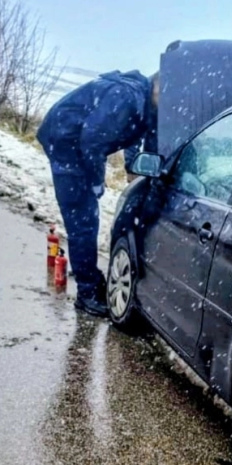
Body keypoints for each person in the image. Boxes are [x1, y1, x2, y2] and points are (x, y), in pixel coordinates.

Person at [37, 70, 159, 315]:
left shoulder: (145, 102)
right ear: (157, 85)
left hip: (76, 144)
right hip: (66, 147)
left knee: (86, 216)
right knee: (83, 220)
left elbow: (141, 131)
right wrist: (95, 180)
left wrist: (134, 165)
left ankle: (86, 271)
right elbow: (92, 141)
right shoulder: (125, 97)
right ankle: (87, 293)